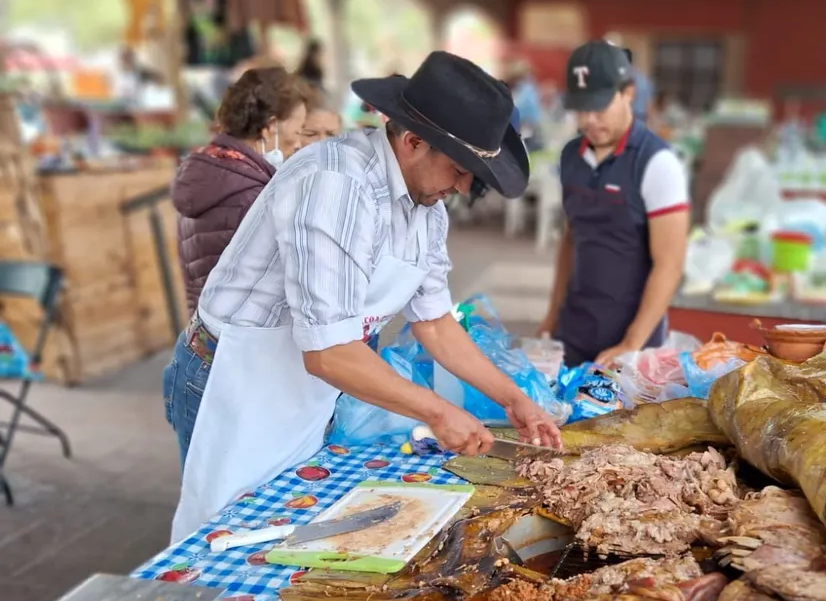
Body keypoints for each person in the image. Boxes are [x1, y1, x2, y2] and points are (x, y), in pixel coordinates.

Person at [163, 52, 561, 542]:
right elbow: (329, 352)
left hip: (304, 381)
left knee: (285, 527)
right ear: (413, 141)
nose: (462, 187)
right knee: (221, 538)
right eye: (459, 169)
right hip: (232, 377)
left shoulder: (426, 208)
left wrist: (514, 399)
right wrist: (437, 412)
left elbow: (435, 321)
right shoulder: (335, 184)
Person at [539, 40, 690, 368]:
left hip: (634, 341)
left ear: (629, 93)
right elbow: (571, 238)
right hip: (573, 332)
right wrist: (552, 316)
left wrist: (631, 343)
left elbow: (670, 264)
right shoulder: (570, 157)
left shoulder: (657, 162)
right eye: (581, 109)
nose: (589, 120)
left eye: (599, 107)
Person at [172, 66, 309, 313]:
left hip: (207, 333)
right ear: (270, 128)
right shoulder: (251, 195)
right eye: (298, 132)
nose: (299, 144)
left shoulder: (207, 171)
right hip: (242, 339)